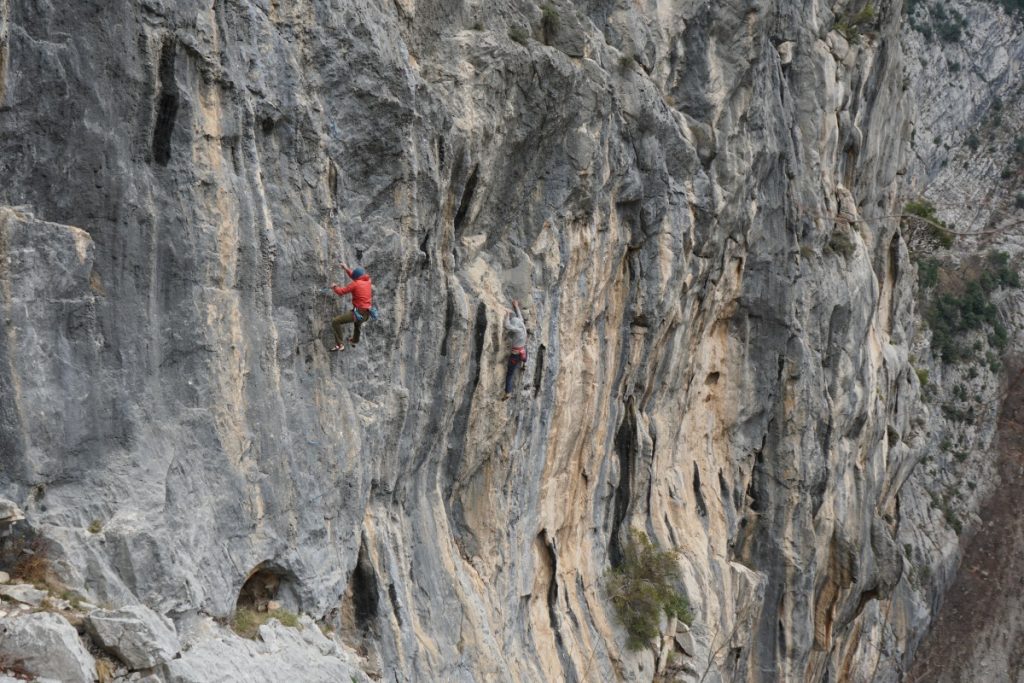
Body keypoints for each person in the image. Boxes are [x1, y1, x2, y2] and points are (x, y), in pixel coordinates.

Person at [329, 263, 372, 351]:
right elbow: (355, 277)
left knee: (335, 321)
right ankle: (354, 340)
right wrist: (346, 268)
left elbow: (341, 292)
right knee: (358, 323)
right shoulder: (368, 281)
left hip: (358, 313)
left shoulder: (355, 284)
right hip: (367, 314)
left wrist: (335, 287)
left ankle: (340, 344)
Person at [503, 300, 528, 400]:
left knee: (509, 374)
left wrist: (507, 316)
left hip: (515, 354)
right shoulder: (521, 323)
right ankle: (524, 363)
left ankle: (508, 392)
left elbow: (508, 326)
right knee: (525, 350)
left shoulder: (517, 329)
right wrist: (516, 306)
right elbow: (519, 315)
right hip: (522, 351)